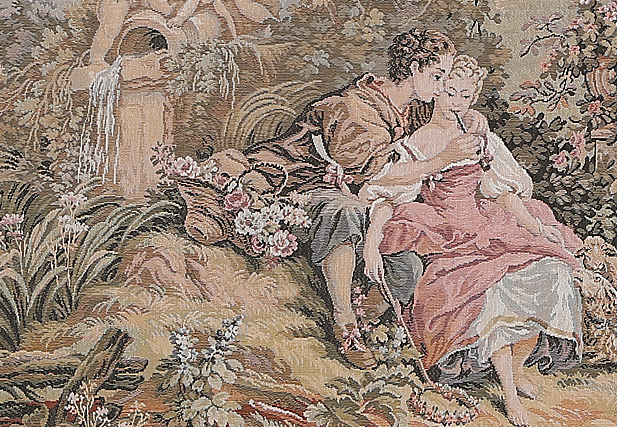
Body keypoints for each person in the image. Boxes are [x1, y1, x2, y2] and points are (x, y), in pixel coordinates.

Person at [184, 30, 485, 354]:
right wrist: (442, 159)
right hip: (300, 183)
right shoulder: (356, 109)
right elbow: (380, 173)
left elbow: (452, 122)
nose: (441, 87)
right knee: (345, 211)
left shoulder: (412, 109)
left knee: (407, 266)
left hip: (366, 200)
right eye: (437, 76)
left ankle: (368, 322)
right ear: (414, 68)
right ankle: (345, 322)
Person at [371, 57, 585, 427]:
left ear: (474, 96)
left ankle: (518, 368)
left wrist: (534, 225)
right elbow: (390, 193)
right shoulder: (420, 141)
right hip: (447, 232)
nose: (455, 102)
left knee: (552, 270)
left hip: (487, 224)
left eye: (465, 96)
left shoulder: (478, 134)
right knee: (494, 290)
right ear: (437, 90)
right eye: (449, 93)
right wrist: (374, 236)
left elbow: (500, 191)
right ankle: (509, 394)